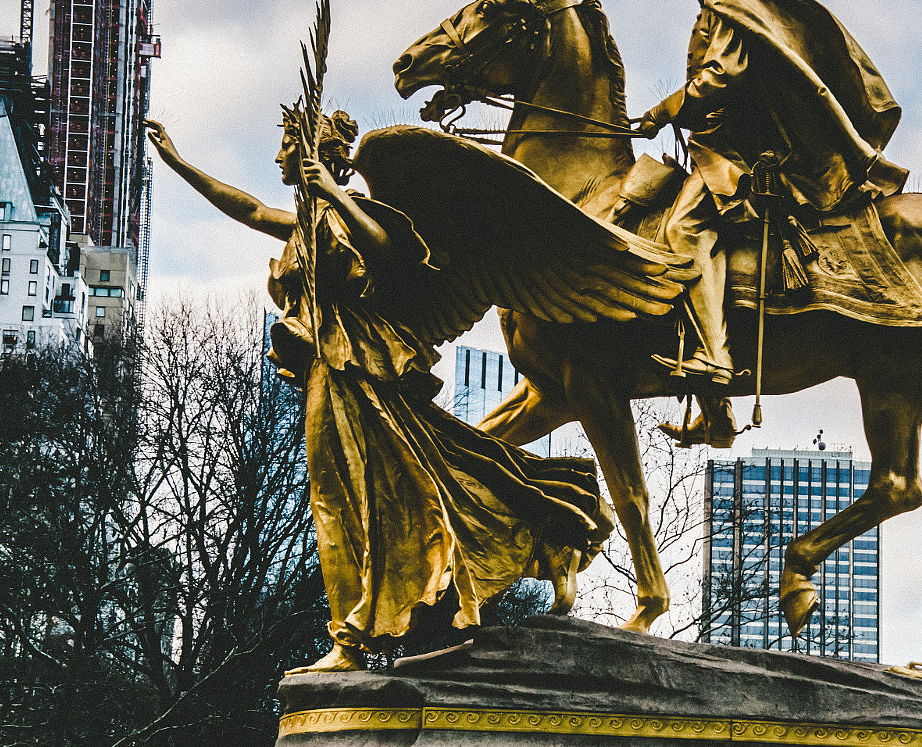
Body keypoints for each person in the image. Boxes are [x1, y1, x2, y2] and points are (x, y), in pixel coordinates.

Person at [145, 113, 613, 671]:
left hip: (359, 370)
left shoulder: (349, 213)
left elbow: (395, 253)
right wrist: (177, 162)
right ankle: (366, 628)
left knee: (356, 499)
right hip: (329, 368)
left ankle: (355, 638)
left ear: (317, 152)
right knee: (364, 495)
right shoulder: (303, 220)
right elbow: (247, 208)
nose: (277, 160)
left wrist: (336, 196)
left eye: (287, 146)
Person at [634, 0, 911, 446]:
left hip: (748, 156)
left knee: (685, 227)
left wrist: (671, 106)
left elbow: (725, 73)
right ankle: (714, 415)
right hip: (727, 142)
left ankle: (714, 355)